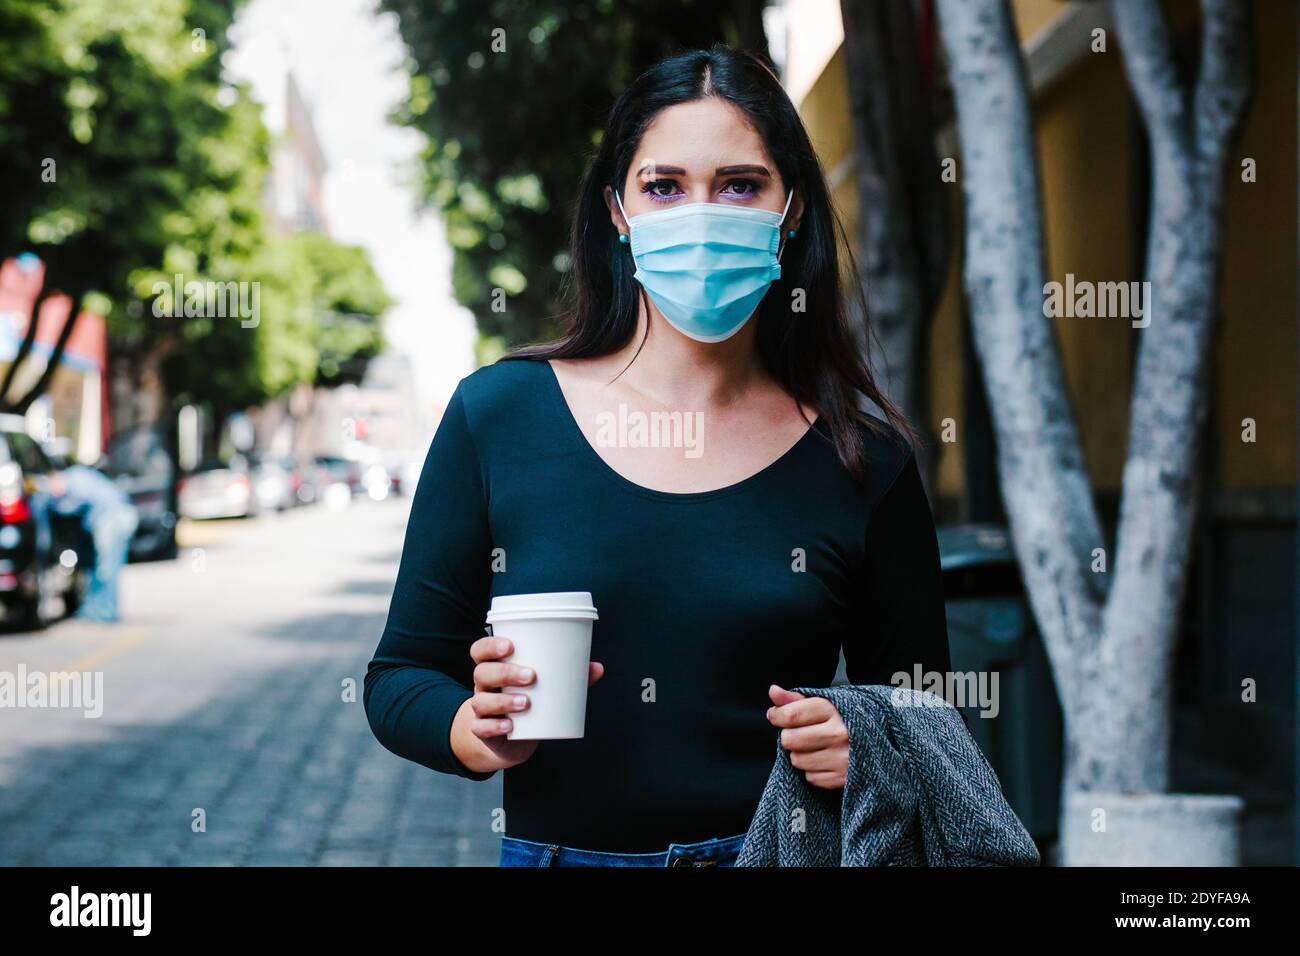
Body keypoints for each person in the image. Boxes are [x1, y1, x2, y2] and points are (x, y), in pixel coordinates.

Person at [364, 45, 952, 868]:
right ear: (617, 209)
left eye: (741, 184)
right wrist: (471, 727)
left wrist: (872, 751)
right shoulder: (498, 416)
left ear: (792, 213)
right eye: (664, 185)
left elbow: (929, 713)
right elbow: (398, 678)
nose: (701, 213)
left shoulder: (864, 459)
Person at [51, 457, 139, 623]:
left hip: (113, 519)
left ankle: (107, 612)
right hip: (114, 517)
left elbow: (74, 503)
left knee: (107, 569)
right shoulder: (79, 475)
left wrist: (55, 505)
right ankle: (95, 610)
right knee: (100, 568)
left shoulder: (75, 477)